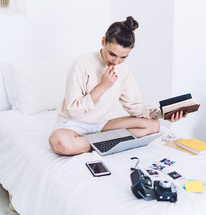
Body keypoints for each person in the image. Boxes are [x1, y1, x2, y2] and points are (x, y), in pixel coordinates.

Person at [49, 16, 187, 156]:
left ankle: (93, 142)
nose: (116, 61)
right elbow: (74, 111)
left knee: (154, 125)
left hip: (99, 125)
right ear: (103, 42)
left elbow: (134, 105)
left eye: (123, 57)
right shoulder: (82, 63)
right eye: (112, 54)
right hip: (73, 124)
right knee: (61, 143)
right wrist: (103, 86)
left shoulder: (123, 69)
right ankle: (101, 142)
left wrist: (162, 114)